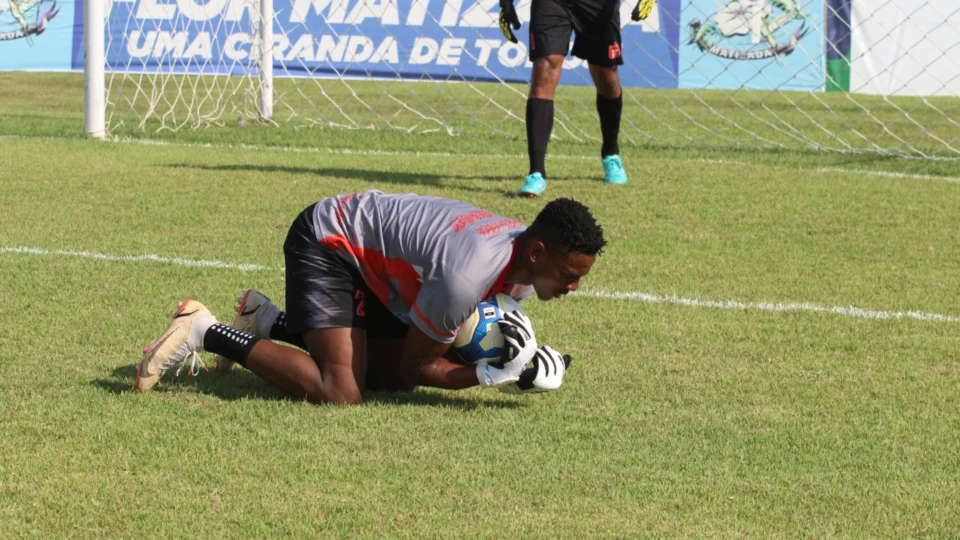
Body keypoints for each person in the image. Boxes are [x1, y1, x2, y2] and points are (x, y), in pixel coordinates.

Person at [135, 192, 606, 404]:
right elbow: (419, 366)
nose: (573, 288)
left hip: (377, 269)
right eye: (569, 275)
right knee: (340, 391)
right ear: (539, 253)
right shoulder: (468, 276)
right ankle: (205, 329)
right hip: (330, 243)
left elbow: (448, 346)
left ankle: (268, 321)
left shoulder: (520, 261)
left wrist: (526, 363)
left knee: (389, 382)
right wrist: (491, 375)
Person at [499, 0, 656, 197]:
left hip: (599, 6)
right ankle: (536, 174)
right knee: (544, 71)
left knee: (606, 75)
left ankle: (610, 153)